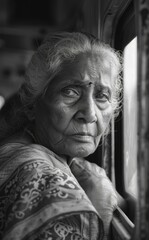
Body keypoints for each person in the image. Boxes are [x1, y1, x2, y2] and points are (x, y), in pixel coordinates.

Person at [0, 32, 123, 240]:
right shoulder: (43, 178)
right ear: (32, 105)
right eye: (70, 92)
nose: (90, 114)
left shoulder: (28, 151)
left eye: (102, 96)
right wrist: (100, 216)